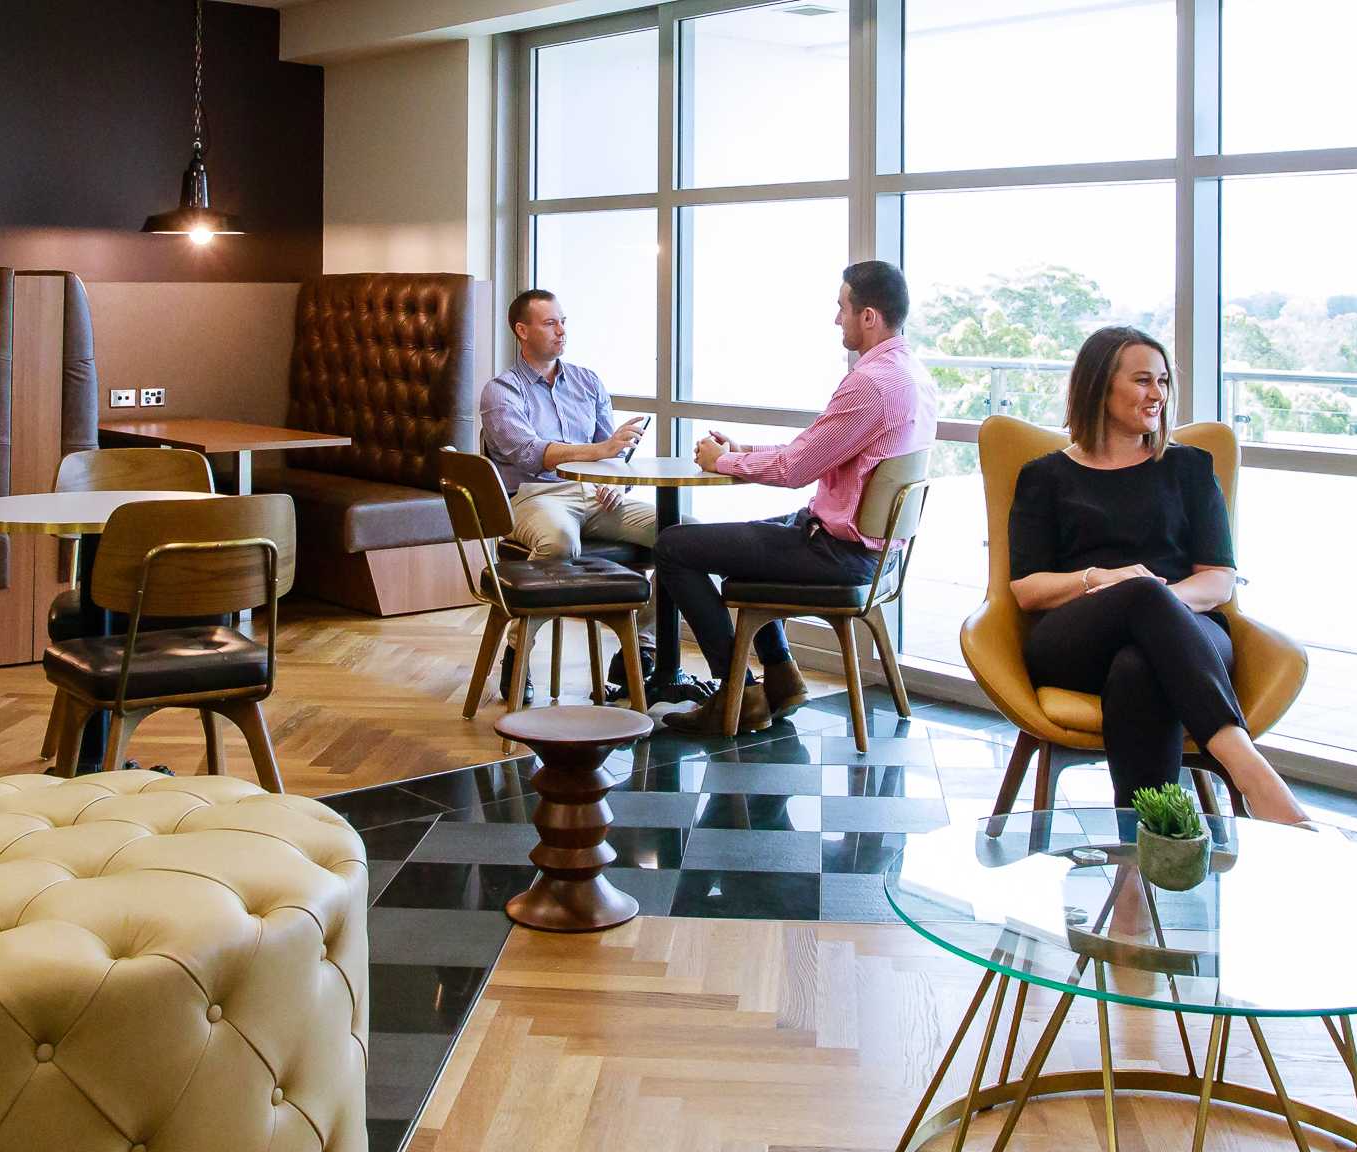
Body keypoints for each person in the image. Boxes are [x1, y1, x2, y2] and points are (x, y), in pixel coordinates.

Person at [1004, 327, 1310, 825]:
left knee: (1139, 666)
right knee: (1140, 595)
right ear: (1099, 385)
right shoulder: (1045, 477)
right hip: (1077, 638)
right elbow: (1027, 590)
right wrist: (1104, 580)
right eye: (1143, 380)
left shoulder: (1190, 468)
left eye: (1163, 381)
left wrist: (1156, 608)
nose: (1158, 394)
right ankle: (1247, 768)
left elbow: (1218, 581)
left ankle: (1147, 847)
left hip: (1190, 631)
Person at [657, 260, 938, 733]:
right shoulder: (914, 376)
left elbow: (795, 469)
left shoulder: (871, 383)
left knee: (673, 545)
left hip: (842, 554)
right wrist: (741, 452)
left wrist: (721, 462)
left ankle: (739, 693)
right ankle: (783, 676)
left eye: (842, 308)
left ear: (869, 316)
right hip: (876, 553)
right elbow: (814, 450)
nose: (836, 319)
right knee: (740, 543)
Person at [479, 288, 654, 560]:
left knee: (679, 529)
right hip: (534, 496)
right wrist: (601, 449)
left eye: (563, 321)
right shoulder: (502, 390)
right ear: (522, 331)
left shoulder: (588, 382)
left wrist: (616, 485)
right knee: (560, 542)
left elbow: (614, 455)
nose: (561, 331)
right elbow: (530, 454)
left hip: (595, 497)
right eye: (550, 323)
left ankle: (646, 593)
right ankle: (517, 590)